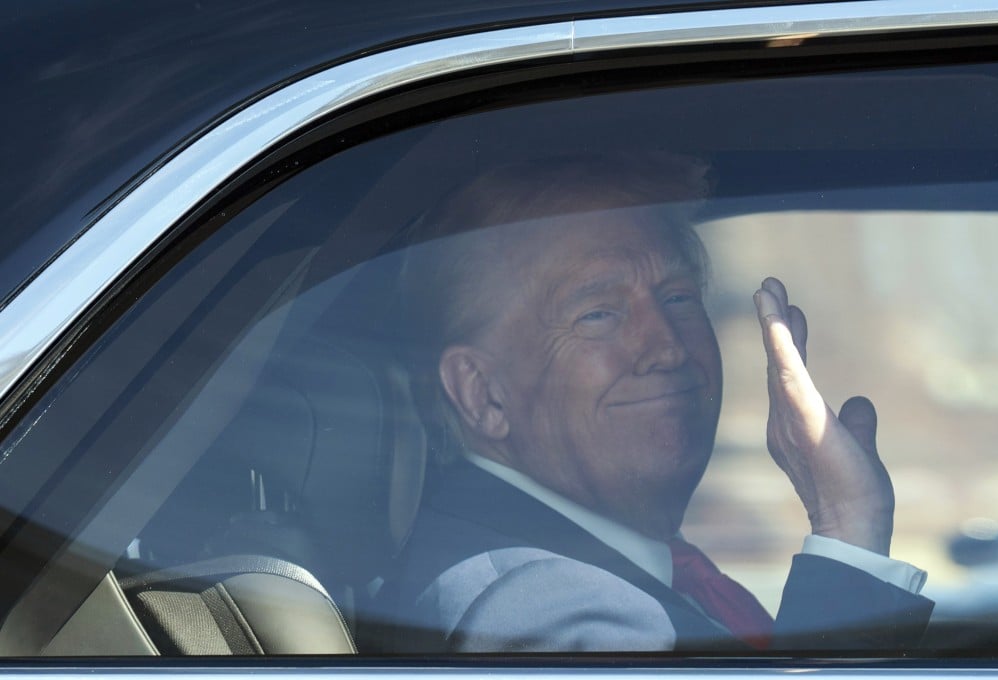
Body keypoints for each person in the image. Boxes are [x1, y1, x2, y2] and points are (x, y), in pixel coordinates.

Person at [369, 154, 933, 653]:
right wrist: (845, 529)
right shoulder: (553, 613)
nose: (666, 346)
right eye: (598, 314)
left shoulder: (592, 573)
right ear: (481, 392)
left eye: (678, 297)